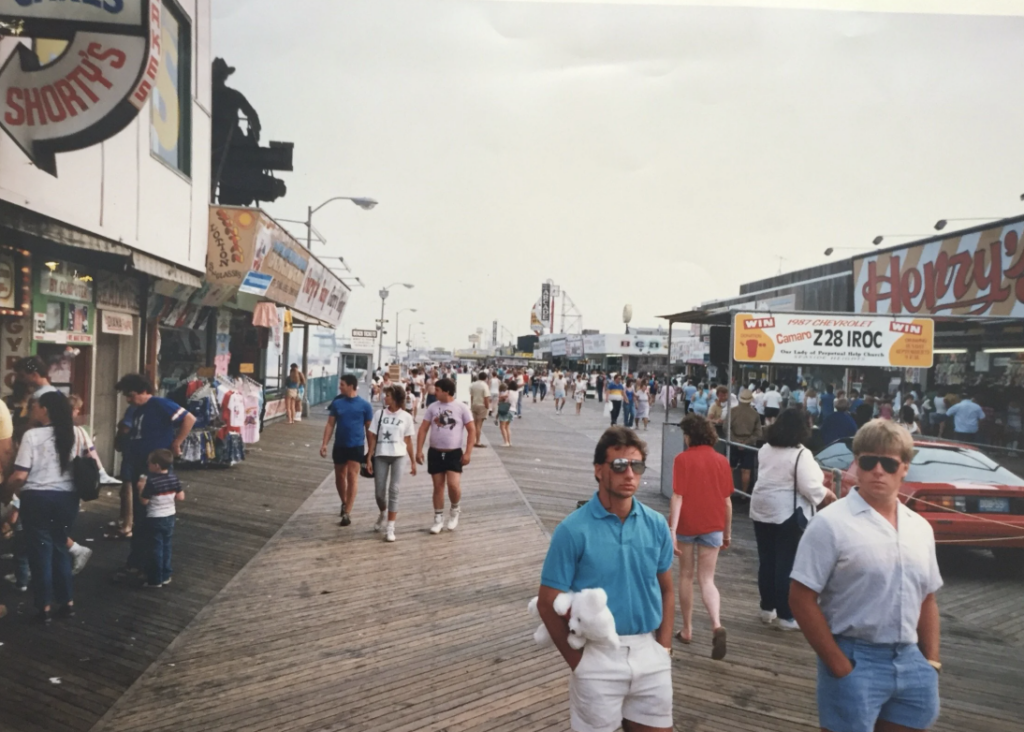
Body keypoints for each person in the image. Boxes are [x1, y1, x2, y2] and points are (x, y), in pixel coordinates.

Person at [790, 419, 942, 732]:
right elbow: (801, 597)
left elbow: (927, 596)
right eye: (868, 461)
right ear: (856, 464)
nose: (878, 471)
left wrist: (932, 661)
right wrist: (838, 664)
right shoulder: (831, 524)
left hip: (910, 658)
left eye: (888, 463)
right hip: (854, 656)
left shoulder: (919, 527)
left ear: (904, 468)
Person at [536, 427, 674, 732]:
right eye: (619, 465)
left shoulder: (656, 525)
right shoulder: (572, 530)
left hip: (648, 650)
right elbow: (547, 604)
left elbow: (666, 589)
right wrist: (580, 664)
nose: (630, 474)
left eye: (636, 466)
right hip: (596, 654)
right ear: (599, 471)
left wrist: (663, 648)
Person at [748, 408, 835, 631]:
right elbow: (810, 486)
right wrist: (829, 495)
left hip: (761, 508)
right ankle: (786, 616)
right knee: (786, 564)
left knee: (767, 560)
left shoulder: (766, 448)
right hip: (786, 512)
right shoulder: (800, 454)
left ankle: (767, 608)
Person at [113, 374, 195, 584]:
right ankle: (138, 562)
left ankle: (152, 568)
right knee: (141, 517)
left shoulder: (159, 404)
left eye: (131, 395)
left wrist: (177, 443)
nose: (128, 400)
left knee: (150, 515)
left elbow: (189, 418)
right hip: (140, 464)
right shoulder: (137, 410)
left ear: (143, 391)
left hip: (155, 467)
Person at [6, 391, 80, 623]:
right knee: (59, 545)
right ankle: (67, 603)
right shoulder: (77, 433)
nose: (32, 409)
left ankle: (44, 607)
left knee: (40, 552)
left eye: (35, 405)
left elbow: (20, 475)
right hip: (67, 499)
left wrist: (11, 491)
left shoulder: (32, 436)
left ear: (45, 409)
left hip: (37, 498)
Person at [670, 414, 733, 660]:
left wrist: (672, 530)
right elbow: (727, 502)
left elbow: (678, 496)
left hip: (687, 524)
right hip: (713, 524)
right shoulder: (721, 461)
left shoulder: (682, 459)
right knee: (707, 579)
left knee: (686, 575)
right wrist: (727, 533)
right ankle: (716, 624)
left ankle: (687, 629)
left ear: (689, 436)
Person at [416, 378, 476, 534]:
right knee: (438, 486)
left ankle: (455, 510)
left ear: (446, 391)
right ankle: (438, 518)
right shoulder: (432, 407)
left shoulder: (461, 408)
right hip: (435, 451)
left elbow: (472, 430)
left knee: (453, 485)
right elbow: (423, 429)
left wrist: (468, 452)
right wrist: (419, 450)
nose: (434, 393)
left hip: (454, 452)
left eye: (437, 390)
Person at [321, 374, 374, 527]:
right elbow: (330, 425)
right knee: (339, 476)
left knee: (352, 476)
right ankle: (344, 502)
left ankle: (347, 512)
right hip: (340, 445)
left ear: (351, 386)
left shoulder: (365, 405)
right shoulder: (337, 404)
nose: (340, 387)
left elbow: (369, 429)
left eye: (342, 384)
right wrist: (324, 443)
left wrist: (370, 452)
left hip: (356, 446)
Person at [365, 384, 416, 543]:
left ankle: (390, 527)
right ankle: (383, 512)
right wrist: (369, 456)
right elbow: (372, 435)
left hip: (398, 455)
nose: (384, 397)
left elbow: (408, 440)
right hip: (381, 454)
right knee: (379, 492)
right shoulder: (379, 414)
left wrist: (413, 461)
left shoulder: (406, 417)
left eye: (387, 395)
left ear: (395, 398)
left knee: (394, 489)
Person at [136, 449, 184, 588]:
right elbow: (181, 497)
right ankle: (166, 575)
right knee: (166, 545)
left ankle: (155, 579)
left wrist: (140, 488)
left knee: (155, 548)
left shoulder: (152, 482)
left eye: (149, 463)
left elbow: (144, 502)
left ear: (156, 465)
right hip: (170, 516)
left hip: (155, 517)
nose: (147, 465)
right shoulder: (174, 478)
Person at [730, 388, 763, 495]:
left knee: (729, 468)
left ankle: (728, 493)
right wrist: (746, 442)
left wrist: (735, 440)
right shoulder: (755, 414)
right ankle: (744, 495)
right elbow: (758, 433)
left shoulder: (733, 411)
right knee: (746, 471)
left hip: (733, 443)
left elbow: (726, 428)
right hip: (749, 445)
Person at [469, 372, 490, 448]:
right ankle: (478, 441)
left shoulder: (473, 385)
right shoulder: (485, 386)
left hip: (474, 405)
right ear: (485, 378)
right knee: (479, 425)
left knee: (474, 424)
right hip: (482, 405)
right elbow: (486, 397)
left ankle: (473, 440)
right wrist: (487, 407)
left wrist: (471, 405)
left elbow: (471, 396)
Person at [497, 382, 515, 447]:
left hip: (506, 410)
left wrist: (499, 397)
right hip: (513, 410)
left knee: (502, 427)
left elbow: (502, 399)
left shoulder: (508, 392)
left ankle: (506, 442)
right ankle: (509, 441)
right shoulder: (516, 393)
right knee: (507, 427)